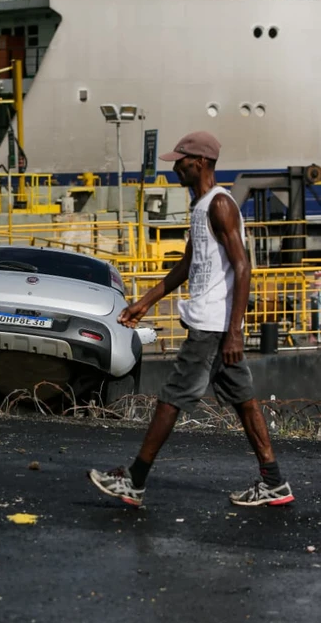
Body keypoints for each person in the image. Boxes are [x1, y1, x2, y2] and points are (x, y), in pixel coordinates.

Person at [88, 130, 294, 508]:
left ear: (200, 162)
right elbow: (187, 264)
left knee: (171, 399)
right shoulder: (202, 206)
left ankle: (134, 481)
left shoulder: (220, 205)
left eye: (180, 161)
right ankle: (274, 482)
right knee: (245, 402)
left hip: (214, 327)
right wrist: (145, 302)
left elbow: (243, 268)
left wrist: (234, 333)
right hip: (214, 326)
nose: (175, 168)